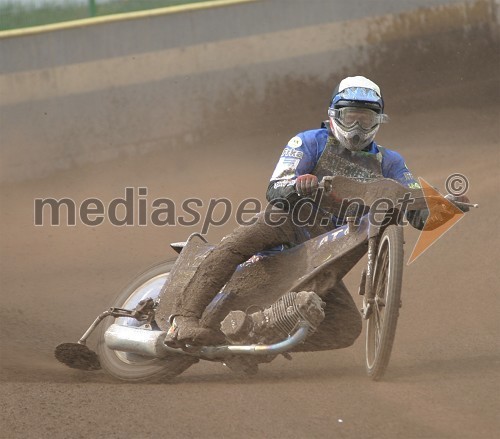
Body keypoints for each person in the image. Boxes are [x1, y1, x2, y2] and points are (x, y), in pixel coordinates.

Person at [164, 75, 450, 346]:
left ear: (379, 121)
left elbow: (417, 211)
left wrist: (443, 207)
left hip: (328, 249)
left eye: (367, 120)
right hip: (291, 219)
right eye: (351, 117)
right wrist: (299, 186)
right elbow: (275, 188)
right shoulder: (309, 141)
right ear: (334, 116)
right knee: (236, 243)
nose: (358, 129)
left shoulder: (390, 162)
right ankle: (183, 319)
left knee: (346, 327)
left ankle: (256, 339)